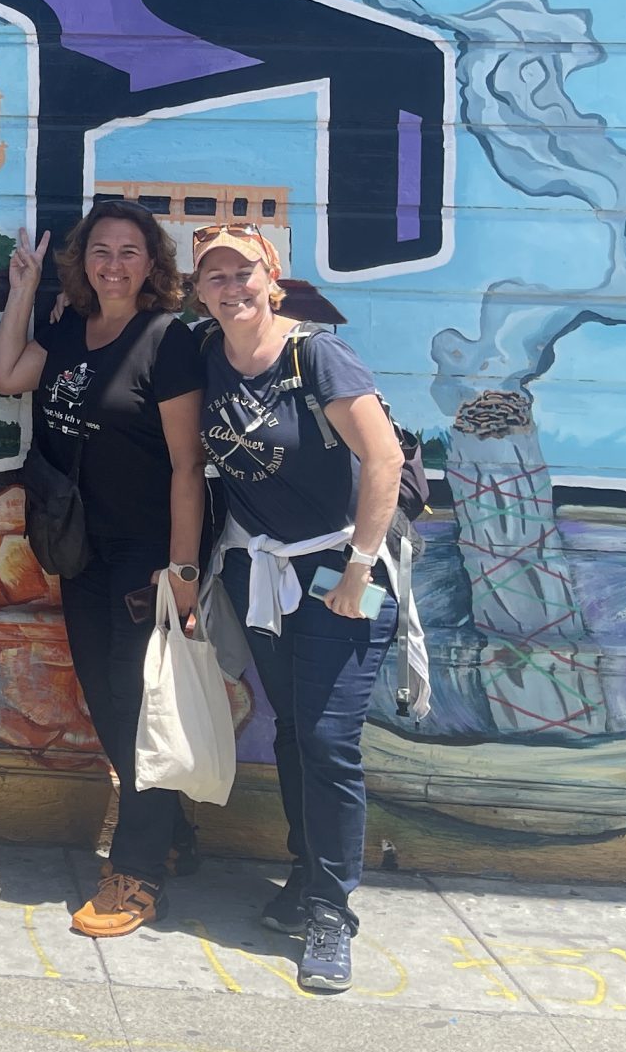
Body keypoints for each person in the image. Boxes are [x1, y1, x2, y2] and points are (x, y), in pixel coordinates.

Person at [193, 223, 419, 994]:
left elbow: (383, 456)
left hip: (342, 572)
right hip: (258, 572)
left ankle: (331, 911)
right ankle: (306, 873)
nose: (232, 286)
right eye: (215, 275)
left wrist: (357, 568)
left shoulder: (316, 354)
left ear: (273, 276)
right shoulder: (205, 352)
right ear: (199, 290)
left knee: (327, 739)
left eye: (244, 271)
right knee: (293, 726)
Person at [0, 200, 204, 937]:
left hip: (145, 557)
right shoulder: (69, 330)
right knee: (107, 701)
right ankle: (171, 832)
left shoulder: (167, 339)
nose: (114, 264)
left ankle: (137, 872)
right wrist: (23, 288)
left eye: (129, 251)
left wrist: (182, 567)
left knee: (135, 704)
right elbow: (7, 375)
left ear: (152, 264)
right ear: (82, 261)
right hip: (81, 549)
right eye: (101, 251)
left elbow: (187, 466)